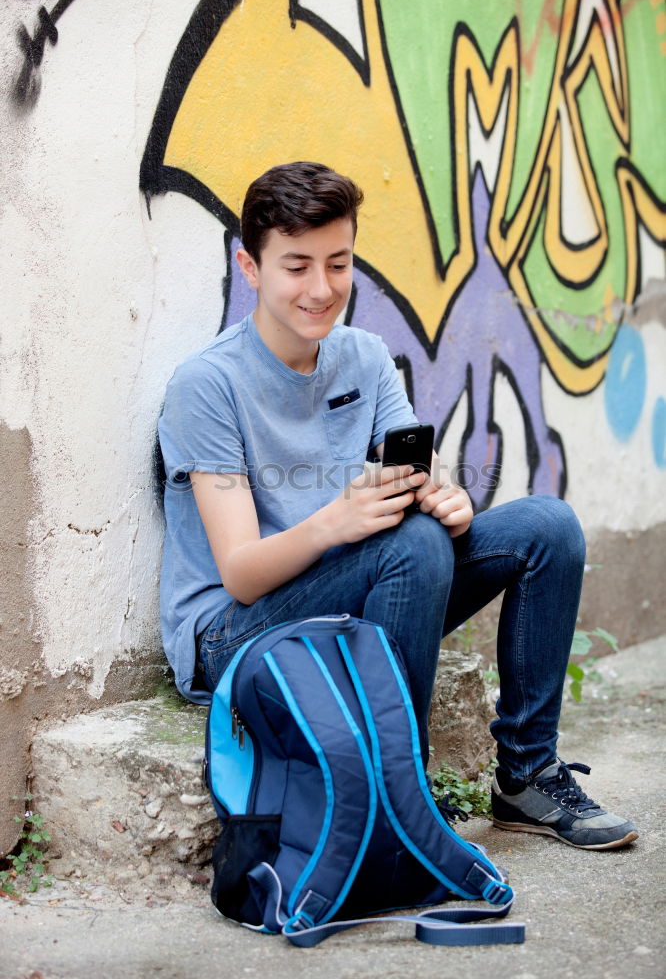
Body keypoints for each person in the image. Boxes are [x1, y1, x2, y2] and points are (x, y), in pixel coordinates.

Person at [158, 161, 638, 851]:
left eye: (338, 263)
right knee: (409, 546)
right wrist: (338, 522)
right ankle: (392, 800)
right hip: (233, 638)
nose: (321, 289)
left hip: (356, 584)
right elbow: (238, 572)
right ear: (250, 267)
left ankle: (527, 777)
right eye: (296, 266)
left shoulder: (366, 356)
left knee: (545, 527)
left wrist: (450, 501)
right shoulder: (207, 385)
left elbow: (419, 478)